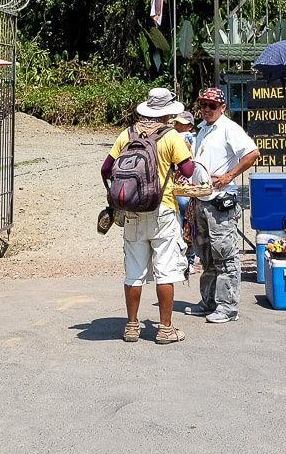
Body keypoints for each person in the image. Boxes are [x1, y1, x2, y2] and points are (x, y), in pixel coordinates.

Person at [101, 86, 196, 344]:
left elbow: (106, 169)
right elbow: (188, 171)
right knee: (165, 270)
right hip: (162, 209)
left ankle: (131, 326)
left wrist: (121, 197)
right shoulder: (172, 136)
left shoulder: (128, 134)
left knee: (134, 271)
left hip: (132, 212)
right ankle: (165, 329)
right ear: (168, 113)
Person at [190, 85, 260, 324]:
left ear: (222, 107)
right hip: (201, 199)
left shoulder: (229, 128)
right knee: (206, 254)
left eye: (211, 105)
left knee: (225, 254)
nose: (206, 109)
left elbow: (252, 153)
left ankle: (228, 307)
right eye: (203, 105)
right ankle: (209, 301)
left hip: (220, 201)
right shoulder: (202, 129)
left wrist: (230, 175)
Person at [174, 110, 198, 275]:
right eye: (176, 122)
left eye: (180, 123)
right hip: (189, 186)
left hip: (183, 186)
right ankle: (188, 261)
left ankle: (184, 260)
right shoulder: (197, 139)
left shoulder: (183, 138)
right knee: (190, 224)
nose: (176, 125)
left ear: (189, 125)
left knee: (182, 223)